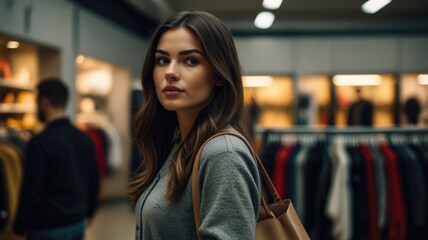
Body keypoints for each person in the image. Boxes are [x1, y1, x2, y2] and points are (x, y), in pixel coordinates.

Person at [129, 11, 261, 240]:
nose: (170, 72)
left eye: (190, 60)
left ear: (219, 74)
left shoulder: (222, 153)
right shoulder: (181, 142)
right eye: (162, 60)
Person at [13, 78, 100, 240]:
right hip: (77, 222)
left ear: (44, 102)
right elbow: (93, 180)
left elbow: (32, 193)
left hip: (46, 227)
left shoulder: (39, 143)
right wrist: (90, 212)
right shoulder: (84, 139)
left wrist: (19, 228)